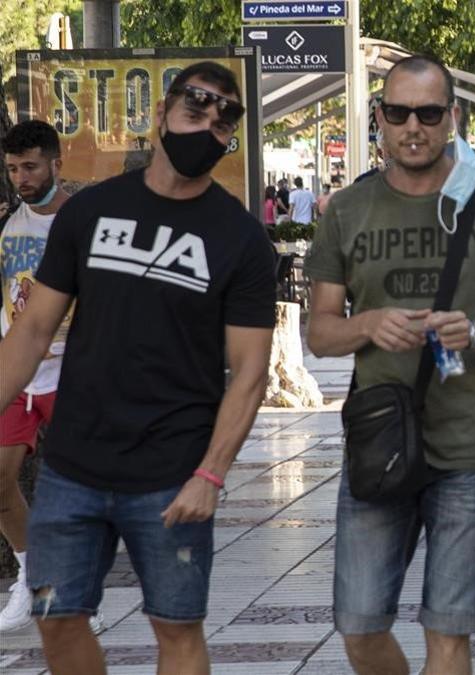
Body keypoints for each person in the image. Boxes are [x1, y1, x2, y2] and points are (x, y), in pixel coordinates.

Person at [0, 61, 276, 672]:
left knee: (176, 628)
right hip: (72, 469)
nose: (207, 126)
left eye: (223, 120)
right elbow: (33, 330)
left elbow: (251, 372)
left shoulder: (240, 239)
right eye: (195, 109)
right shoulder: (89, 213)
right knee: (52, 611)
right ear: (161, 114)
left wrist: (211, 475)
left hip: (171, 477)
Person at [304, 55, 475, 675]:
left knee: (448, 630)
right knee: (358, 624)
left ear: (452, 118)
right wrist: (367, 323)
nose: (414, 126)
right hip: (380, 441)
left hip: (471, 447)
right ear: (379, 118)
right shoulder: (348, 212)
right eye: (399, 112)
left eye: (429, 113)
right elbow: (321, 334)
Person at [0, 120, 80, 634]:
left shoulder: (84, 221)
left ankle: (74, 581)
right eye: (12, 169)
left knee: (83, 489)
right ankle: (30, 576)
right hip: (18, 371)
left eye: (30, 166)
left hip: (75, 371)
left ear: (56, 161)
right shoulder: (10, 225)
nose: (21, 178)